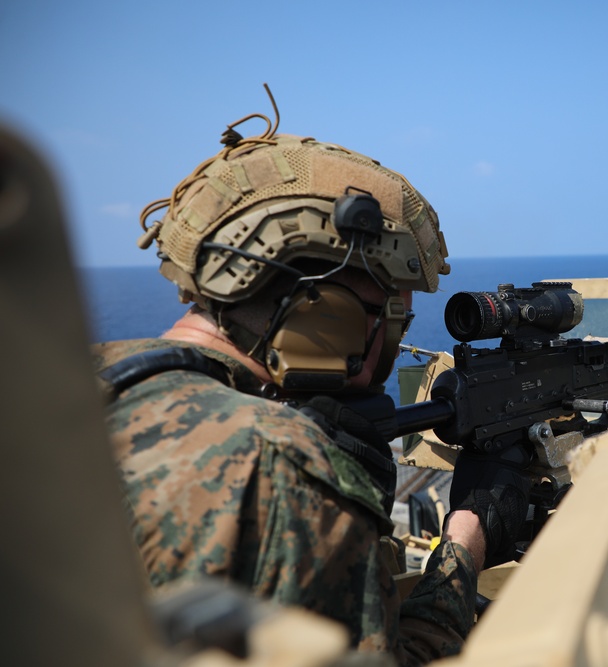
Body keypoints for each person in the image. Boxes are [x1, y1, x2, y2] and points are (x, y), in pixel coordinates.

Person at [93, 116, 528, 665]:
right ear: (324, 312)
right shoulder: (279, 465)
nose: (393, 342)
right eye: (391, 317)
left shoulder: (80, 387)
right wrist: (466, 539)